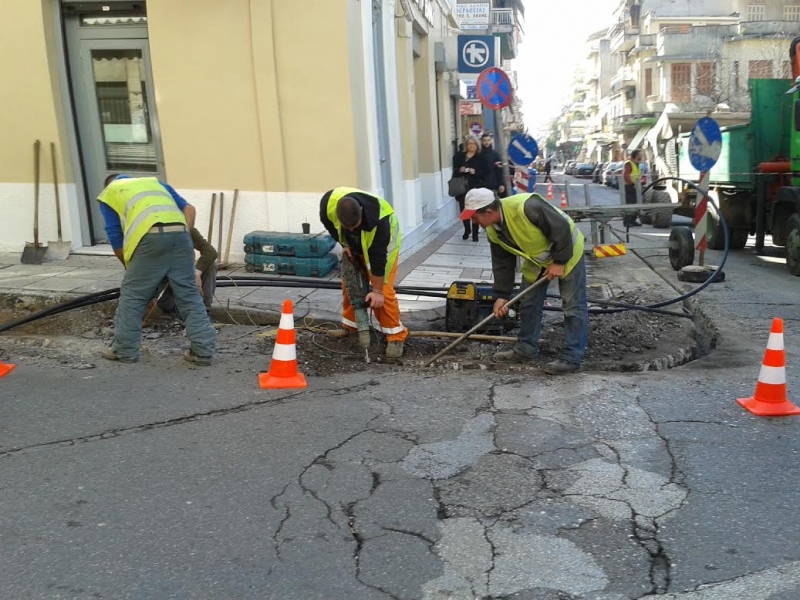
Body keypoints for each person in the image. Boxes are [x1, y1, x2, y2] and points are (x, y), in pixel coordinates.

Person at [460, 187, 588, 375]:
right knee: (529, 303)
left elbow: (561, 228)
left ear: (488, 212)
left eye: (474, 217)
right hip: (538, 261)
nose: (474, 222)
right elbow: (502, 264)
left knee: (572, 306)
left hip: (568, 253)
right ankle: (526, 349)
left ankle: (572, 357)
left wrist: (559, 261)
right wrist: (502, 296)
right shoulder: (493, 231)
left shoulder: (527, 206)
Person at [97, 175, 217, 365]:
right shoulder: (154, 183)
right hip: (182, 236)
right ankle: (203, 352)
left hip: (150, 238)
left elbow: (115, 235)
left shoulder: (110, 192)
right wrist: (184, 235)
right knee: (190, 296)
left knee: (133, 296)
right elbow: (189, 208)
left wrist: (131, 270)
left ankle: (125, 350)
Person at [319, 187, 408, 358]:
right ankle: (351, 326)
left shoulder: (380, 221)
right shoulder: (328, 203)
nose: (351, 230)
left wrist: (377, 291)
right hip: (356, 246)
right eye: (347, 228)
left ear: (361, 212)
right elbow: (327, 222)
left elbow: (378, 259)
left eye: (355, 226)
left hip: (383, 251)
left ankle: (396, 337)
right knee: (349, 284)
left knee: (384, 295)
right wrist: (344, 244)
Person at [156, 227, 218, 315]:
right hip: (166, 281)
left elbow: (211, 252)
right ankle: (169, 307)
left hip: (185, 276)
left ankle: (204, 311)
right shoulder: (155, 232)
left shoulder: (187, 228)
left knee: (211, 265)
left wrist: (197, 272)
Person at [452, 135, 491, 242]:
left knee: (475, 210)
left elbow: (486, 172)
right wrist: (460, 170)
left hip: (475, 187)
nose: (471, 146)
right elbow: (454, 171)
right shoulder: (460, 156)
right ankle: (467, 229)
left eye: (473, 143)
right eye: (469, 144)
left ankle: (475, 233)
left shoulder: (481, 157)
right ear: (466, 145)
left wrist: (476, 172)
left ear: (477, 145)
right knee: (463, 210)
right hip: (461, 187)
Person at [481, 132, 507, 198]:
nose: (486, 142)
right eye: (484, 140)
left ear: (491, 141)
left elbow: (499, 171)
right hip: (481, 187)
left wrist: (501, 184)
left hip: (493, 186)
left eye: (488, 140)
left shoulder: (495, 155)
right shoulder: (478, 154)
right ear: (481, 141)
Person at [622, 149, 642, 227]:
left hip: (634, 186)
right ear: (636, 155)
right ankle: (627, 221)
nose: (642, 156)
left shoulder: (636, 163)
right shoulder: (629, 163)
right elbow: (625, 176)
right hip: (629, 186)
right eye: (640, 154)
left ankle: (633, 220)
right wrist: (632, 183)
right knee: (630, 204)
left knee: (635, 203)